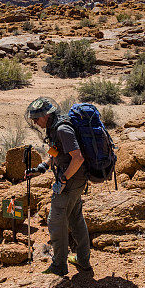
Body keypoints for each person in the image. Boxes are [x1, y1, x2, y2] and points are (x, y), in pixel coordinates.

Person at [25, 97, 92, 276]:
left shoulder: (62, 129)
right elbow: (57, 152)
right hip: (74, 180)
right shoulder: (55, 127)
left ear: (46, 115)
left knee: (55, 222)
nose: (34, 122)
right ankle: (83, 261)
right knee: (75, 219)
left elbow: (77, 158)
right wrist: (43, 167)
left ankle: (59, 265)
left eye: (36, 118)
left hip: (71, 181)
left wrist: (63, 179)